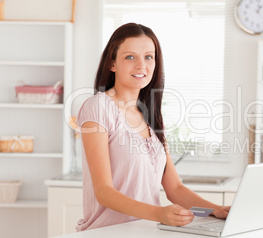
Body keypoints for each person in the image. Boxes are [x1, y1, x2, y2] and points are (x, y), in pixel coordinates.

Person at [76, 22, 230, 231]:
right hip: (107, 233)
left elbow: (174, 188)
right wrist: (159, 213)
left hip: (148, 232)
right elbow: (104, 192)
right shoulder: (97, 108)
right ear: (112, 64)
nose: (142, 65)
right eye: (130, 57)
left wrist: (216, 210)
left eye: (149, 56)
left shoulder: (150, 115)